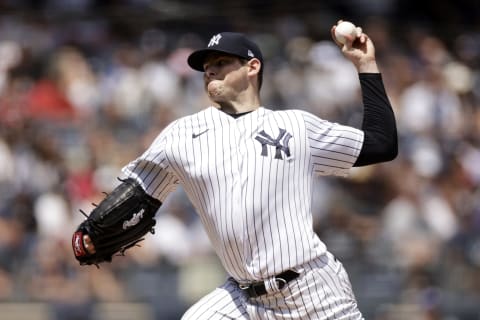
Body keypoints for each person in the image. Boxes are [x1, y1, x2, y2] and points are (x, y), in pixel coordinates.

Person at [77, 21, 397, 319]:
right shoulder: (182, 134)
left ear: (252, 67)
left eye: (220, 64)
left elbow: (381, 144)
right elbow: (138, 193)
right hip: (242, 298)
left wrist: (366, 65)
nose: (209, 72)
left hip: (312, 289)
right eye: (206, 67)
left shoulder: (296, 126)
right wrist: (94, 232)